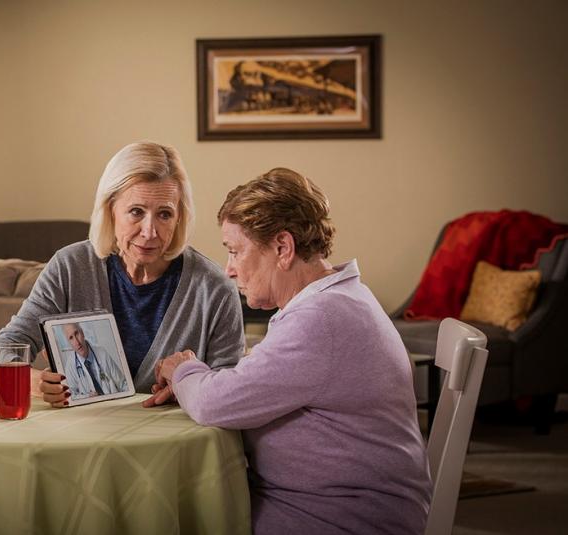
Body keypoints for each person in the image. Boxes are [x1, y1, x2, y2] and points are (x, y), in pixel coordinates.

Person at [154, 168, 432, 534]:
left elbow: (214, 404)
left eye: (236, 252)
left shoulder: (320, 318)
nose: (230, 269)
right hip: (343, 505)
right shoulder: (343, 297)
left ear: (283, 248)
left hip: (340, 518)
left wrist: (183, 369)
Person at [0, 141, 245, 407]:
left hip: (173, 445)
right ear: (110, 210)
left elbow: (231, 395)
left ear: (179, 218)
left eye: (164, 214)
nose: (149, 231)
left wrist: (188, 386)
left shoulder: (214, 288)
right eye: (136, 212)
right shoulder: (70, 267)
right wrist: (30, 381)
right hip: (82, 442)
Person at [58, 322, 128, 399]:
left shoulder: (102, 353)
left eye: (77, 333)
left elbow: (122, 384)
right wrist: (87, 397)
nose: (77, 342)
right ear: (69, 343)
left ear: (82, 333)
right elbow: (71, 396)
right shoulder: (70, 365)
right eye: (71, 338)